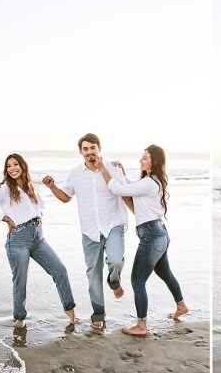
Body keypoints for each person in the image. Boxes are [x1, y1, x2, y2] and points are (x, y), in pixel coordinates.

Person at [96, 144, 188, 336]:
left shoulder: (149, 183)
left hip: (152, 236)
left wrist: (104, 168)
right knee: (165, 273)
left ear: (154, 160)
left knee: (137, 281)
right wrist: (122, 172)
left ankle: (141, 325)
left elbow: (118, 189)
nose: (141, 160)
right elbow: (131, 189)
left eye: (145, 157)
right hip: (159, 233)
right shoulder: (152, 182)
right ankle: (181, 306)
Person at [0, 154, 77, 329]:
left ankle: (70, 312)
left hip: (38, 237)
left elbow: (42, 206)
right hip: (17, 239)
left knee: (60, 270)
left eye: (15, 164)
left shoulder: (31, 186)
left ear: (23, 166)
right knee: (20, 281)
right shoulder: (4, 188)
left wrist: (37, 218)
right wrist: (6, 219)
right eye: (8, 166)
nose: (12, 168)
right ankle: (19, 319)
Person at [42, 133, 129, 330]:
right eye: (85, 149)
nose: (90, 152)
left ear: (99, 149)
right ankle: (98, 314)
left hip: (113, 223)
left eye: (93, 148)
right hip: (89, 229)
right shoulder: (75, 173)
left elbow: (125, 191)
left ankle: (114, 280)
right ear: (81, 152)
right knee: (93, 275)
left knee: (115, 260)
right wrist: (52, 186)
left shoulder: (113, 168)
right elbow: (66, 197)